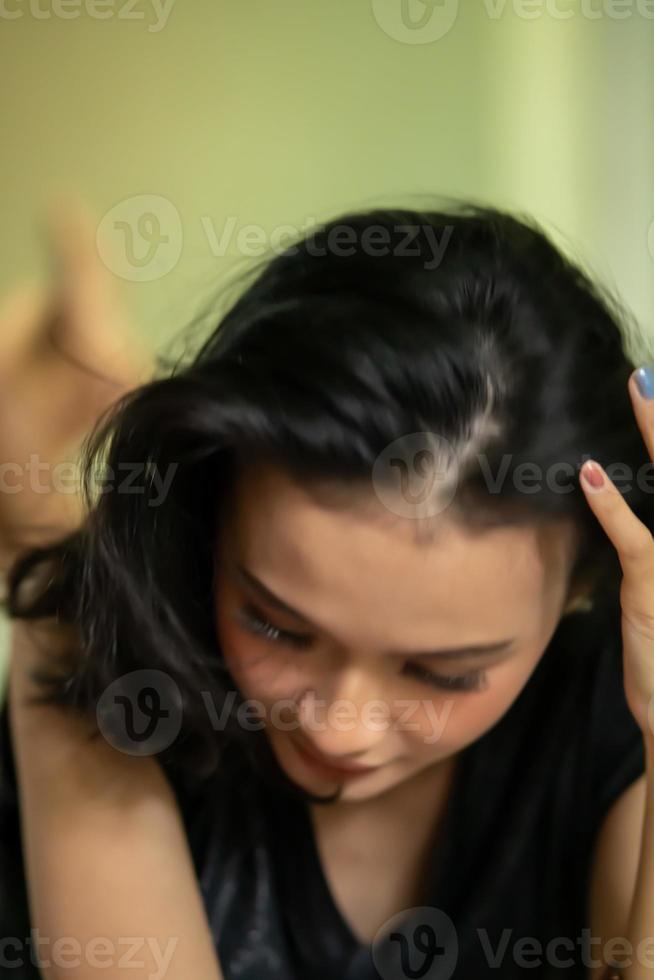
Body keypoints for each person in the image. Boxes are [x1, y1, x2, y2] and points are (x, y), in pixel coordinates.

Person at [0, 197, 650, 980]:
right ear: (214, 515)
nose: (342, 729)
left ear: (583, 584)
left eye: (444, 672)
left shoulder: (613, 700)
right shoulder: (99, 644)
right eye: (275, 625)